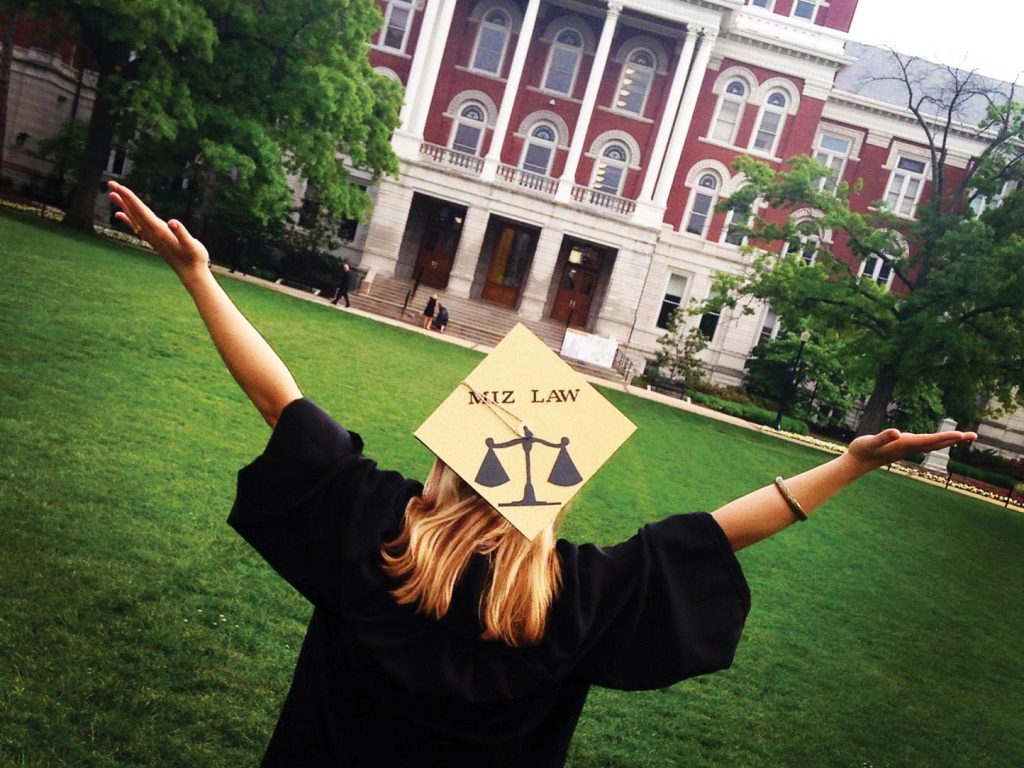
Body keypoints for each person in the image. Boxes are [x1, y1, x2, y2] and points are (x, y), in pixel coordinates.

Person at [107, 180, 976, 768]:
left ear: (447, 458)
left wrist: (199, 278)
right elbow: (718, 534)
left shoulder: (380, 532)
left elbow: (280, 404)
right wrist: (849, 465)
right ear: (549, 497)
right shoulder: (572, 599)